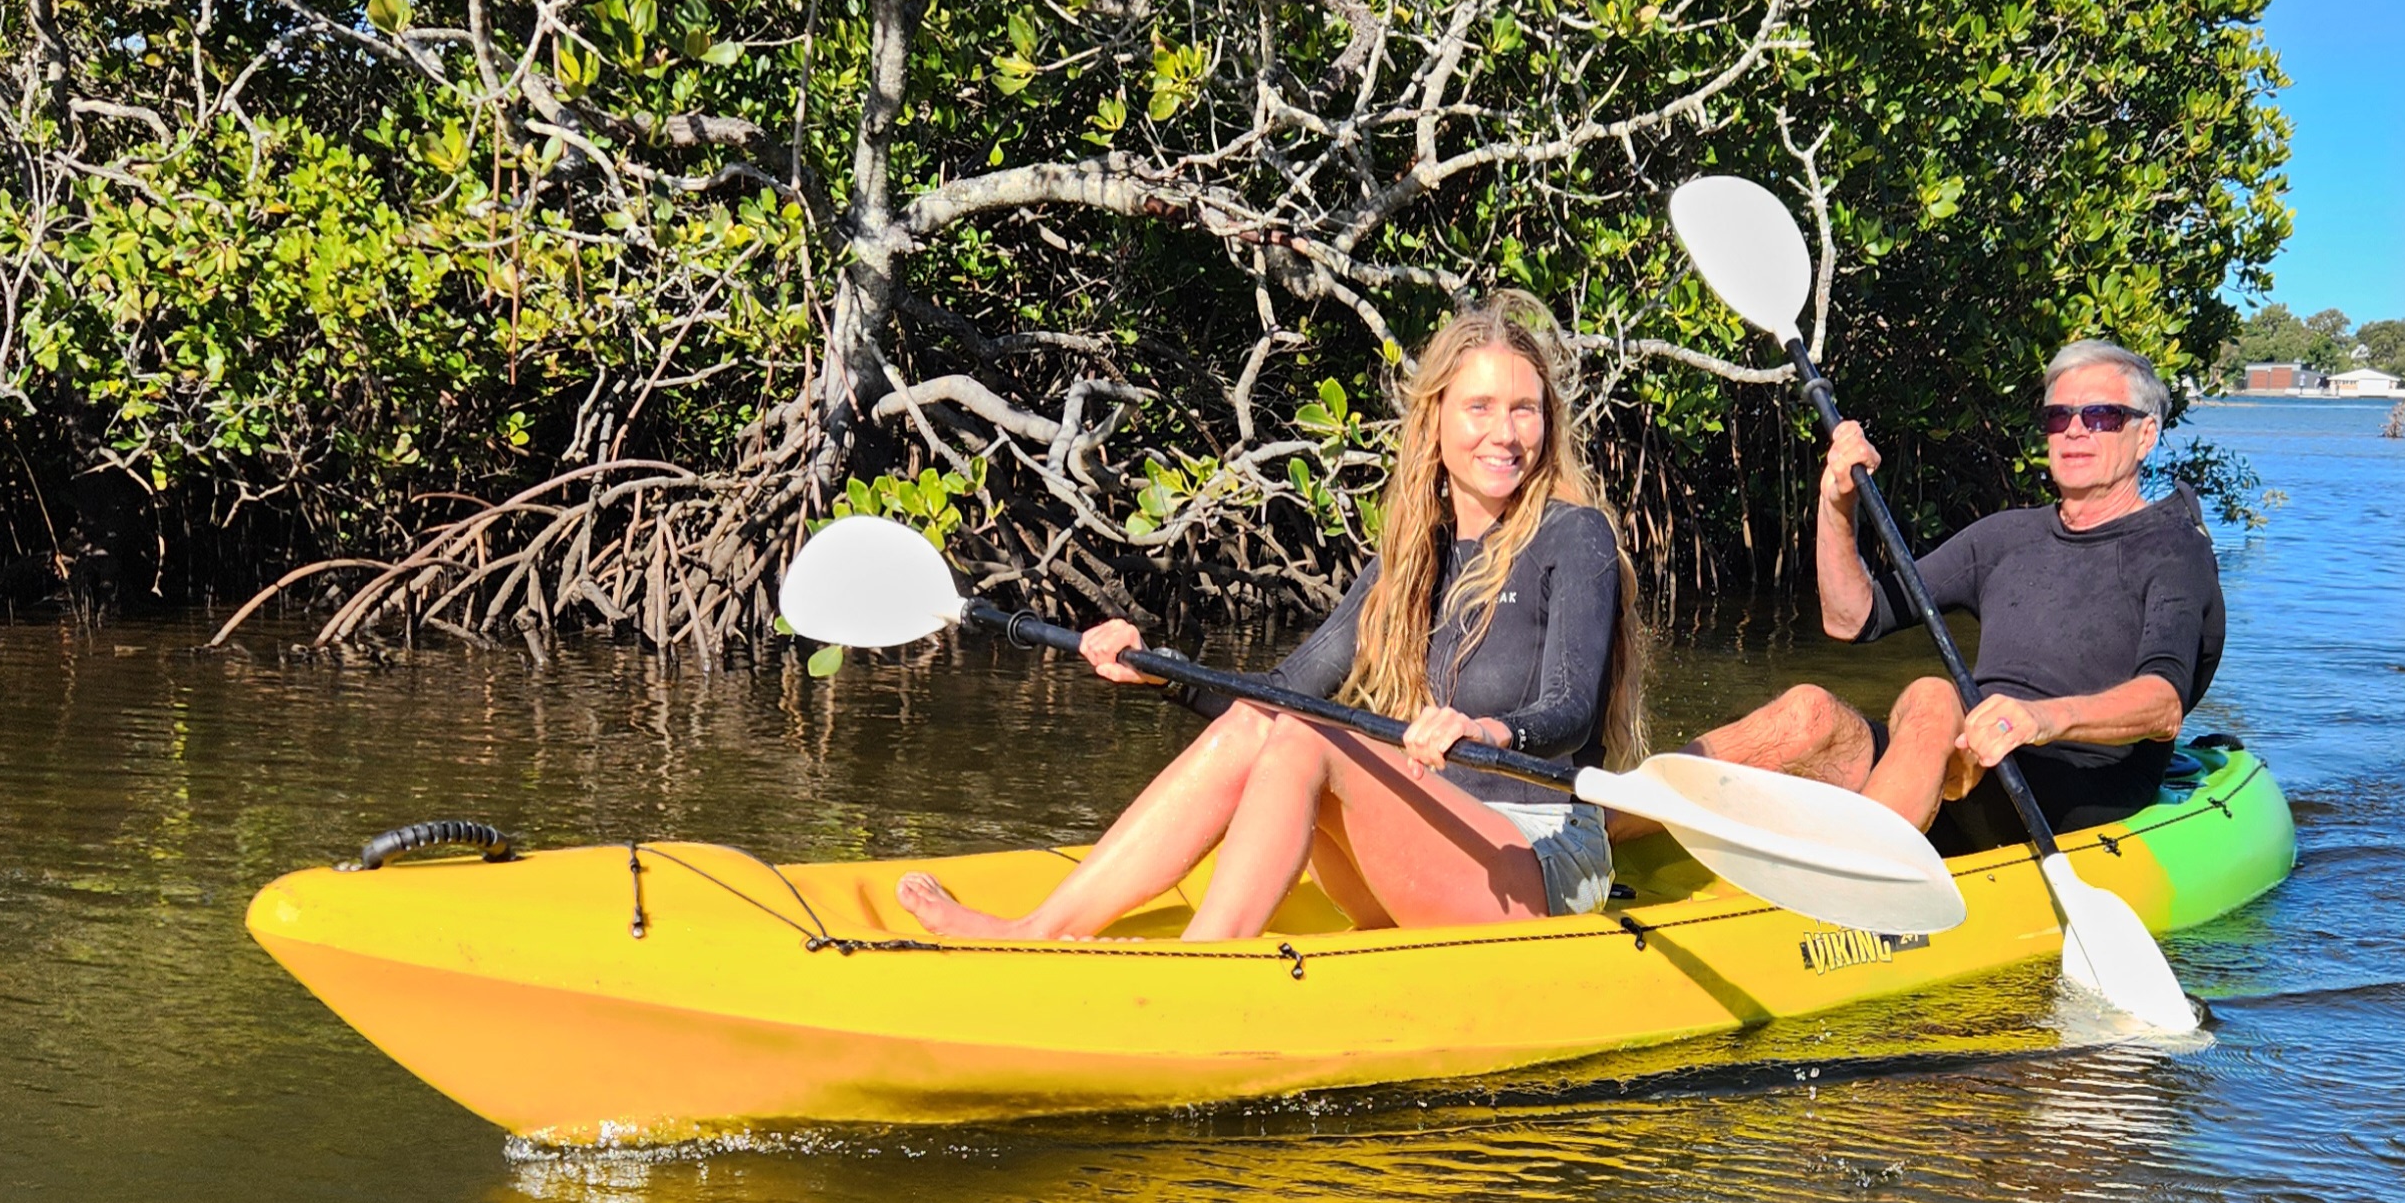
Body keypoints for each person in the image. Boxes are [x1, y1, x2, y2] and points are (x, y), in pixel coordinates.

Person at [897, 294, 1646, 941]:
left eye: (1524, 409)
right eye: (1481, 408)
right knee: (1271, 723)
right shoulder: (1411, 557)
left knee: (1313, 741)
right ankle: (1042, 928)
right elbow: (1285, 690)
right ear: (1436, 419)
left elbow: (1571, 713)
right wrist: (1157, 671)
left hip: (1539, 858)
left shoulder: (1572, 535)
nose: (1505, 434)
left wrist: (1485, 732)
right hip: (1431, 846)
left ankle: (1204, 969)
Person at [1695, 339, 2223, 852]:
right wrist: (1837, 506)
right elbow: (1852, 618)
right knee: (1808, 712)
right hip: (1969, 761)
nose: (2075, 431)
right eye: (2058, 417)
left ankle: (1859, 881)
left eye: (2102, 416)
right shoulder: (2002, 537)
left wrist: (2041, 719)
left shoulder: (2175, 550)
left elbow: (2163, 705)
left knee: (1933, 694)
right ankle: (1618, 820)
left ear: (2145, 435)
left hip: (2076, 782)